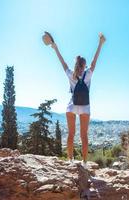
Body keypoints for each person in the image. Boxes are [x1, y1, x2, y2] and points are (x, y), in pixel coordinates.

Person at [43, 32, 106, 168]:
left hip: (71, 106)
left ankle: (70, 160)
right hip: (85, 107)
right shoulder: (88, 74)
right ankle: (84, 162)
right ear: (84, 65)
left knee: (71, 134)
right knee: (84, 135)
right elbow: (95, 61)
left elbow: (63, 63)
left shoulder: (70, 74)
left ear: (76, 64)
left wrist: (55, 48)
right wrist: (100, 44)